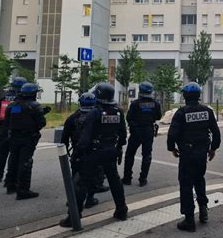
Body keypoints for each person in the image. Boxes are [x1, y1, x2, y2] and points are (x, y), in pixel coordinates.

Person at [60, 82, 128, 227]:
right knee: (114, 181)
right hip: (111, 150)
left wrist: (77, 154)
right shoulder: (118, 111)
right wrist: (118, 148)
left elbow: (85, 138)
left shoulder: (94, 112)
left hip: (94, 152)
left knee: (82, 183)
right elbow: (123, 135)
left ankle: (73, 217)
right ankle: (122, 210)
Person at [167, 82, 221, 232]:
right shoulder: (207, 111)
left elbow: (172, 134)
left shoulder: (181, 112)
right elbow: (216, 133)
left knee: (186, 185)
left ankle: (189, 220)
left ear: (185, 96)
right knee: (199, 180)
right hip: (202, 153)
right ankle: (203, 209)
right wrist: (213, 149)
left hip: (187, 154)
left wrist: (172, 148)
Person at [4, 83, 50, 199]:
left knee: (13, 160)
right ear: (33, 93)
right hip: (28, 137)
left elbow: (9, 120)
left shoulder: (13, 105)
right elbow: (41, 122)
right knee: (25, 163)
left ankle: (11, 185)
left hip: (14, 137)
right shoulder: (34, 106)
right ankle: (23, 190)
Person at [61, 92, 101, 208]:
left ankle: (73, 200)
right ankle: (90, 199)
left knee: (76, 176)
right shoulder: (98, 116)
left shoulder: (72, 118)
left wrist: (66, 152)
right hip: (94, 151)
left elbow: (64, 138)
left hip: (77, 151)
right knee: (94, 175)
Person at [122, 82, 162, 187]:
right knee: (147, 155)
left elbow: (129, 118)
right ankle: (143, 179)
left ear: (140, 91)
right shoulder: (156, 104)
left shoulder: (135, 104)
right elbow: (158, 117)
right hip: (148, 131)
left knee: (130, 154)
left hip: (136, 131)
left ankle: (127, 178)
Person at [0, 77, 27, 183]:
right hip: (16, 130)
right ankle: (9, 179)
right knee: (15, 155)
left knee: (1, 153)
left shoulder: (4, 97)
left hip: (3, 128)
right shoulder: (20, 99)